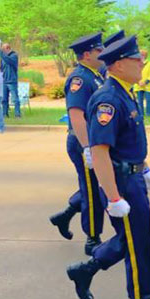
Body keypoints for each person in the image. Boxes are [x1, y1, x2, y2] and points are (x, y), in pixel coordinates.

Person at [67, 35, 150, 299]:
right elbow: (101, 152)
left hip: (132, 177)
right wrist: (114, 197)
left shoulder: (124, 92)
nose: (142, 62)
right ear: (118, 64)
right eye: (136, 59)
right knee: (139, 243)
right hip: (121, 182)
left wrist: (144, 168)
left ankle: (87, 269)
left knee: (133, 238)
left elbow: (126, 144)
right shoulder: (109, 99)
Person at [49, 32, 106, 255]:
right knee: (92, 190)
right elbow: (76, 115)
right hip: (84, 141)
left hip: (95, 141)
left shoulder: (96, 76)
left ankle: (64, 216)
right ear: (87, 54)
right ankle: (92, 238)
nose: (102, 53)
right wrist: (87, 147)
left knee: (92, 185)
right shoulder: (80, 79)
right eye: (98, 50)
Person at [0, 41, 21, 118]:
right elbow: (1, 69)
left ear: (8, 48)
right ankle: (5, 114)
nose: (2, 51)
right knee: (4, 99)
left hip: (12, 81)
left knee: (15, 99)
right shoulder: (3, 58)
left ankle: (17, 114)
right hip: (4, 81)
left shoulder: (14, 56)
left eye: (3, 49)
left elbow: (8, 60)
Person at [134, 49, 150, 118]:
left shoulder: (149, 64)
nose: (142, 56)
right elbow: (134, 73)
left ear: (145, 56)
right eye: (140, 55)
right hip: (138, 85)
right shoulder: (136, 63)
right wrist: (138, 81)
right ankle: (141, 114)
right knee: (139, 101)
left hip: (147, 85)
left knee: (149, 100)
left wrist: (146, 82)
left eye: (143, 55)